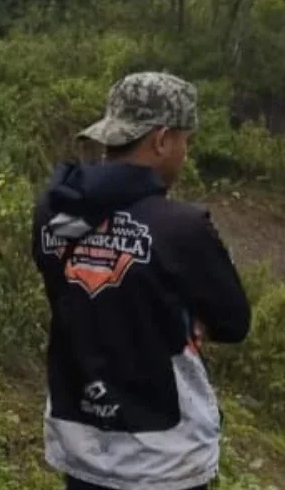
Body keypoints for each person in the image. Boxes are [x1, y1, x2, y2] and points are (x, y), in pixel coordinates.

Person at [31, 71, 251, 490]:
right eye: (185, 141)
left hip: (81, 446)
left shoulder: (54, 211)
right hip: (163, 459)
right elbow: (235, 322)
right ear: (162, 140)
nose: (185, 153)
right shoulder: (181, 228)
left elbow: (66, 291)